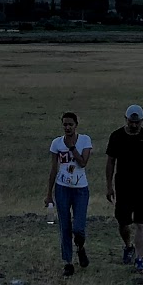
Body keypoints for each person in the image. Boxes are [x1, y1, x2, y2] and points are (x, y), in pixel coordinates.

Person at [105, 103, 143, 271]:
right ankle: (128, 246)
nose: (134, 125)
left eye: (138, 122)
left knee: (141, 222)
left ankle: (139, 258)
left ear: (142, 121)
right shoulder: (116, 137)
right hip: (122, 184)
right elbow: (110, 162)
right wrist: (109, 186)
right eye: (131, 122)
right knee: (123, 222)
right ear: (126, 119)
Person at [45, 110, 93, 275]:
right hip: (62, 188)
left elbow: (83, 163)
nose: (67, 127)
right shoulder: (56, 143)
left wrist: (72, 147)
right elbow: (53, 169)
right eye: (65, 124)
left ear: (76, 125)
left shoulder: (85, 140)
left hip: (80, 190)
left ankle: (80, 247)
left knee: (78, 227)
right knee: (64, 226)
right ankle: (68, 262)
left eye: (70, 124)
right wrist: (49, 194)